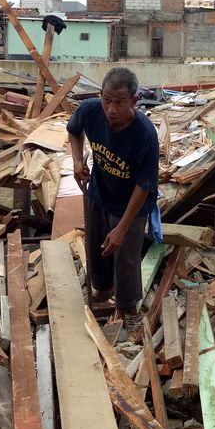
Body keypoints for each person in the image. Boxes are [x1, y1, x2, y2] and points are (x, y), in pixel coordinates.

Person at [67, 67, 159, 337]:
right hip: (100, 190)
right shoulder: (90, 110)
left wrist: (122, 228)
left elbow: (144, 185)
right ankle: (103, 291)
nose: (111, 108)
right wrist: (76, 160)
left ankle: (126, 308)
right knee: (97, 247)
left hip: (132, 202)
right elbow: (74, 130)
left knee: (125, 256)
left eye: (119, 102)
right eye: (107, 100)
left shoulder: (144, 134)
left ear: (134, 100)